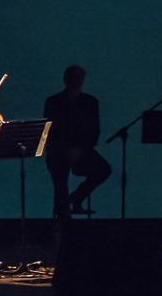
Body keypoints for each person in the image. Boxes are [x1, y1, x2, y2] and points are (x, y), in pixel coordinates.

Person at [43, 65, 112, 219]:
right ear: (66, 80)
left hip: (81, 150)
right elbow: (50, 132)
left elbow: (94, 130)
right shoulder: (53, 102)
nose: (76, 81)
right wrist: (67, 149)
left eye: (79, 78)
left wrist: (79, 149)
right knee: (60, 186)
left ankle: (74, 198)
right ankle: (64, 219)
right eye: (73, 78)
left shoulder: (90, 102)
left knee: (104, 170)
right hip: (59, 152)